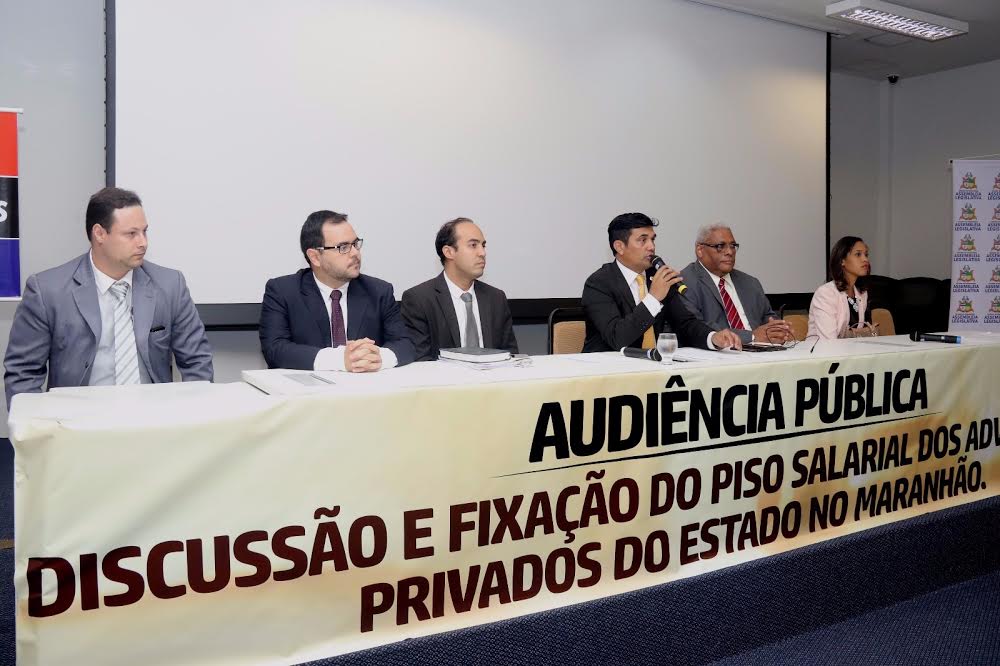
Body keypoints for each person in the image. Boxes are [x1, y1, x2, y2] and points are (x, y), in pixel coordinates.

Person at [3, 187, 213, 409]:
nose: (143, 242)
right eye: (131, 234)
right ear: (100, 234)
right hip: (76, 422)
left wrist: (190, 415)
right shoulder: (47, 291)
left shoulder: (170, 285)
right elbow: (23, 374)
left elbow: (197, 361)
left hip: (152, 419)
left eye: (144, 232)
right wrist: (41, 426)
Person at [259, 210, 414, 371]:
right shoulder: (283, 292)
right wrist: (340, 360)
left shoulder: (379, 291)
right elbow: (275, 349)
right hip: (309, 386)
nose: (355, 253)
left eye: (355, 244)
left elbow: (405, 344)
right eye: (343, 247)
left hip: (365, 385)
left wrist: (377, 357)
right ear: (315, 257)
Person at [581, 212, 742, 353]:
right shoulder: (598, 283)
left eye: (652, 239)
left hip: (652, 365)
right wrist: (653, 298)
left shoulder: (657, 276)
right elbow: (617, 338)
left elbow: (685, 324)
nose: (651, 246)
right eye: (643, 240)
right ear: (619, 247)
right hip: (607, 369)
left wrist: (713, 337)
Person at [401, 218, 517, 361]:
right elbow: (421, 361)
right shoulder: (419, 299)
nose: (482, 253)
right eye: (473, 245)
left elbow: (510, 355)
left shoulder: (496, 298)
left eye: (483, 245)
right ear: (449, 252)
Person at [680, 224, 793, 345]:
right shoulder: (684, 282)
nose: (729, 252)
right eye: (720, 246)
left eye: (733, 246)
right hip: (720, 353)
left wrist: (777, 330)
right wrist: (752, 337)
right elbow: (696, 327)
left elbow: (767, 316)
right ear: (700, 250)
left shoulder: (750, 283)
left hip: (761, 349)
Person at [808, 236, 872, 339]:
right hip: (823, 349)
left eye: (866, 255)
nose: (865, 259)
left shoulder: (862, 293)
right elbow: (829, 340)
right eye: (858, 254)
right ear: (842, 261)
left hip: (852, 348)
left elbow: (865, 335)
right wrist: (856, 334)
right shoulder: (826, 293)